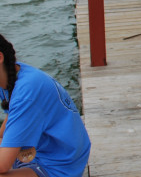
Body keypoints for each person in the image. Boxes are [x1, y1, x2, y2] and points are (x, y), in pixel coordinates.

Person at [0, 33, 91, 177]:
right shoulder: (13, 74)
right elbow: (7, 128)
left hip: (60, 165)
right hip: (43, 152)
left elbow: (2, 166)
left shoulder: (26, 92)